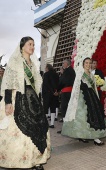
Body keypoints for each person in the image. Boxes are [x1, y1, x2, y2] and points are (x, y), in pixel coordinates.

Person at [0, 37, 50, 169]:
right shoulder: (15, 61)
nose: (32, 47)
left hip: (33, 99)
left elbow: (36, 85)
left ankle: (37, 159)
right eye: (30, 44)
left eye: (34, 45)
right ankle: (25, 160)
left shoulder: (34, 63)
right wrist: (8, 102)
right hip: (19, 98)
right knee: (22, 130)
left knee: (39, 128)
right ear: (22, 46)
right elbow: (8, 83)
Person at [61, 57, 106, 145]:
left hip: (92, 97)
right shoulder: (80, 74)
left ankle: (96, 137)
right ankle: (82, 135)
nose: (88, 65)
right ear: (83, 64)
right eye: (86, 63)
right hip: (82, 98)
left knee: (94, 116)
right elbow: (76, 87)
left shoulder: (91, 75)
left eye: (90, 63)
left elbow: (94, 88)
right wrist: (75, 101)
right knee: (82, 118)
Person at [58, 59, 76, 123]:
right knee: (68, 107)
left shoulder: (67, 71)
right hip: (69, 91)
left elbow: (62, 81)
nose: (62, 65)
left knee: (64, 108)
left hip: (66, 92)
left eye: (63, 63)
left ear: (66, 64)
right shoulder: (71, 70)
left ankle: (65, 125)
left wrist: (57, 90)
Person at [42, 64, 59, 128]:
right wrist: (56, 92)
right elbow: (58, 84)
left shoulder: (46, 74)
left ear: (47, 68)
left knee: (45, 108)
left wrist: (52, 91)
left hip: (47, 93)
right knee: (53, 108)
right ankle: (52, 124)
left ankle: (46, 123)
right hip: (55, 94)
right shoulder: (56, 74)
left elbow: (46, 84)